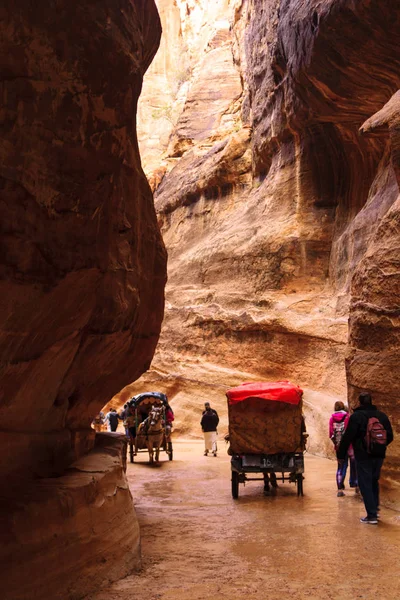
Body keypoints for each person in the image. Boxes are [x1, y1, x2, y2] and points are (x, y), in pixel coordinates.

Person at [338, 392, 393, 524]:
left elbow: (348, 437)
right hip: (379, 455)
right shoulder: (382, 416)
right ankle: (375, 510)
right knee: (374, 481)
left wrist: (341, 455)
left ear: (360, 402)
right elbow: (390, 436)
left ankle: (372, 515)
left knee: (365, 483)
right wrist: (379, 446)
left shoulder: (357, 416)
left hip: (363, 455)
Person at [329, 401, 358, 497]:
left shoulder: (331, 418)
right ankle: (355, 485)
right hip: (350, 446)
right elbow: (352, 432)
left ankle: (340, 489)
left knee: (341, 467)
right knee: (354, 465)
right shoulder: (348, 417)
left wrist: (337, 445)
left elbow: (331, 434)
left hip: (339, 447)